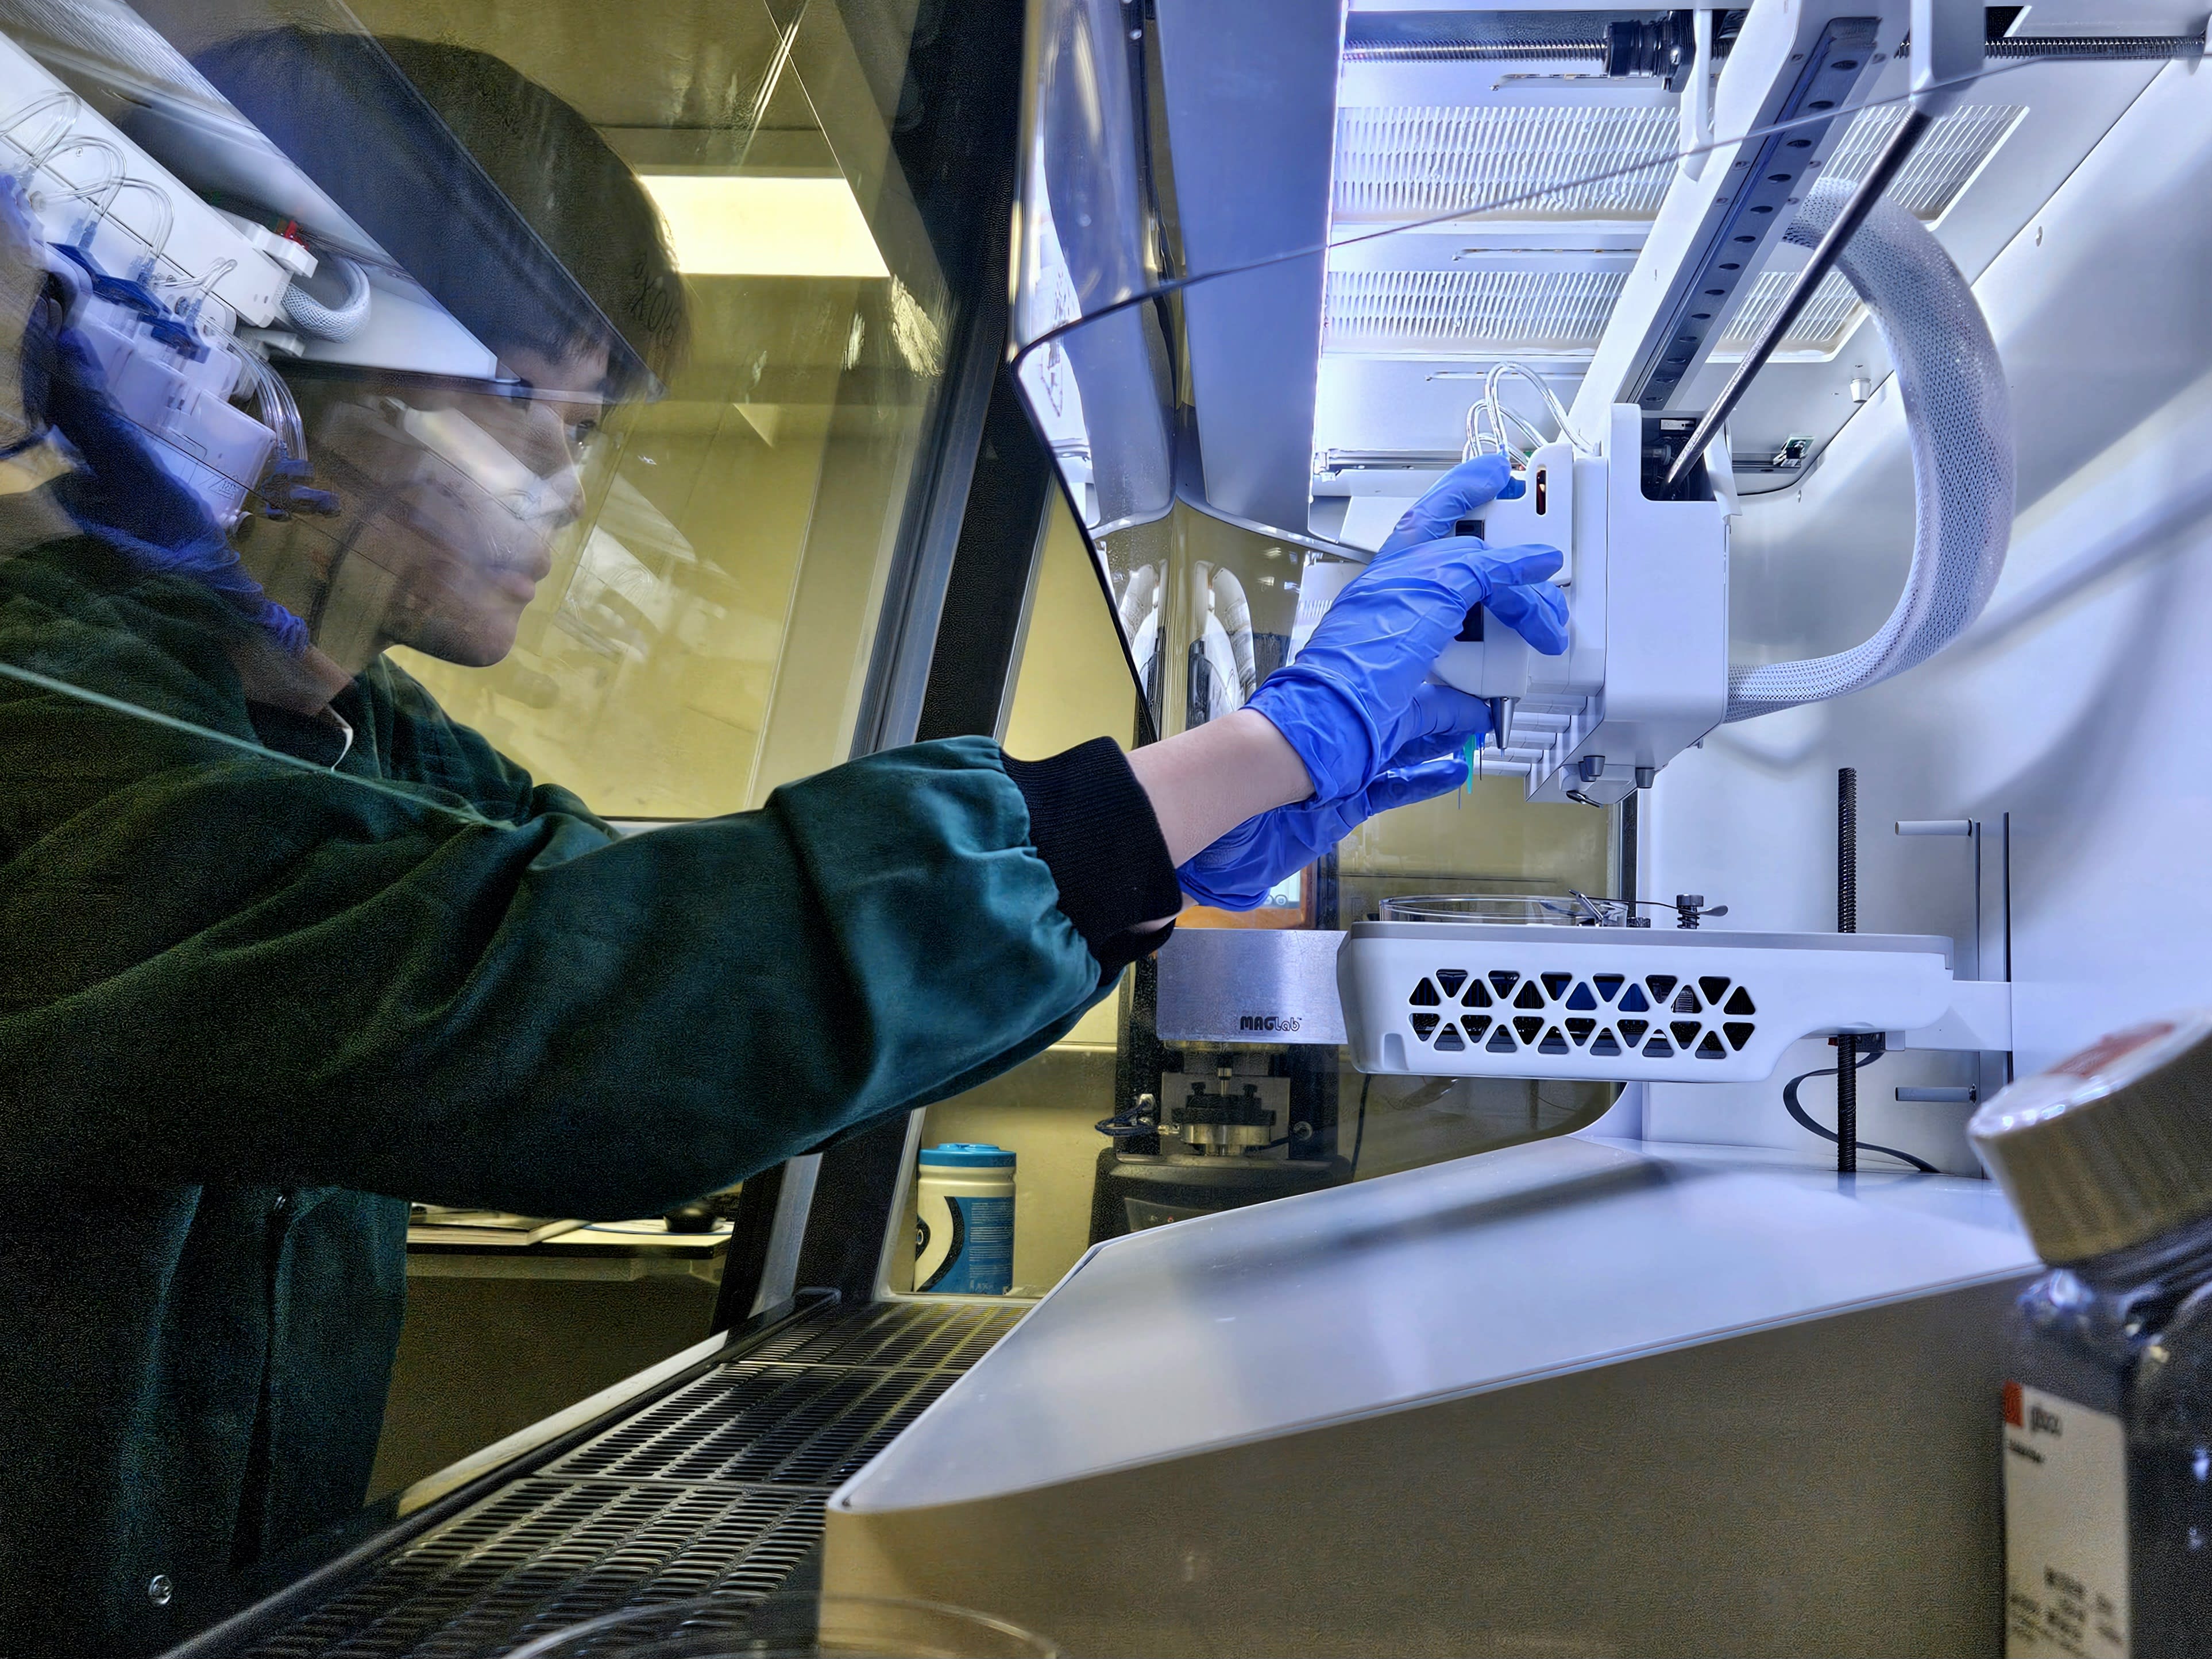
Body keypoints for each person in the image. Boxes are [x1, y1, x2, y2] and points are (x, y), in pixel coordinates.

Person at [0, 29, 1568, 1656]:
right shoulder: (51, 720)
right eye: (549, 415)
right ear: (305, 348)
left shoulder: (356, 738)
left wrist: (1185, 833)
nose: (566, 492)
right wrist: (1246, 752)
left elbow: (677, 962)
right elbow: (564, 1012)